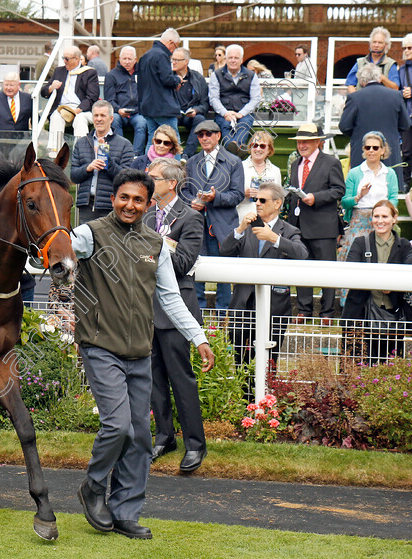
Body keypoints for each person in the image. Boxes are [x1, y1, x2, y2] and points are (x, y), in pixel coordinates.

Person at [72, 168, 214, 540]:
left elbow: (170, 297)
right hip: (100, 346)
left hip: (140, 351)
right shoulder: (88, 234)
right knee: (117, 426)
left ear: (149, 203)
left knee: (139, 435)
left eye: (138, 199)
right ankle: (93, 486)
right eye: (124, 197)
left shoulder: (155, 244)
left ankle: (125, 512)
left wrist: (198, 337)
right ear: (113, 198)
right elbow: (51, 258)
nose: (130, 205)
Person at [143, 158, 208, 472]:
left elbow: (183, 264)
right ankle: (164, 436)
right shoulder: (143, 214)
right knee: (154, 379)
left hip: (176, 309)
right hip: (146, 310)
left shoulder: (190, 217)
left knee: (182, 380)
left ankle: (195, 444)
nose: (147, 180)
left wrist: (156, 245)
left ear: (170, 183)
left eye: (152, 177)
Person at [221, 181, 308, 367]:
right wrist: (240, 229)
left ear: (277, 203)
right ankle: (244, 397)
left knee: (268, 363)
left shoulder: (289, 231)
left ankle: (265, 397)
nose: (257, 203)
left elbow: (302, 254)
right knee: (240, 364)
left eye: (262, 200)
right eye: (255, 200)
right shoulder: (248, 227)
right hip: (242, 304)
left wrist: (274, 239)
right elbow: (225, 251)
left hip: (274, 307)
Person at [285, 124, 345, 322]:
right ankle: (304, 309)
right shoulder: (295, 164)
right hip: (299, 224)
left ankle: (327, 312)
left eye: (306, 141)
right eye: (299, 142)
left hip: (323, 226)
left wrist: (315, 197)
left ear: (318, 142)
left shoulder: (330, 162)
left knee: (326, 270)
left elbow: (339, 190)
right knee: (302, 267)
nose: (302, 145)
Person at [341, 200, 412, 363]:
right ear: (371, 219)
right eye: (376, 216)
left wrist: (393, 286)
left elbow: (408, 268)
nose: (380, 221)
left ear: (394, 218)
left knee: (389, 369)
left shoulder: (405, 245)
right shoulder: (360, 242)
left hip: (392, 320)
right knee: (354, 366)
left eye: (385, 216)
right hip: (359, 317)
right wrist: (381, 283)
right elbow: (351, 273)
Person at [183, 120, 243, 310]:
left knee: (223, 275)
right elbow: (183, 190)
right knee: (195, 271)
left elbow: (238, 194)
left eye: (209, 134)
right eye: (200, 135)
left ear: (218, 136)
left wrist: (216, 197)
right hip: (196, 224)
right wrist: (191, 201)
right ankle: (196, 316)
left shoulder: (234, 161)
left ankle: (223, 317)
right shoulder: (192, 162)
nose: (204, 138)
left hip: (222, 225)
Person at [339, 63, 410, 187]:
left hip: (363, 152)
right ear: (379, 77)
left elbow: (344, 126)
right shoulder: (396, 96)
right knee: (389, 195)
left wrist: (357, 134)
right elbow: (405, 125)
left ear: (361, 80)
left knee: (362, 191)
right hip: (389, 152)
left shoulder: (354, 97)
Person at [70, 100, 135, 224]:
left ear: (111, 119)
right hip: (86, 206)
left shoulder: (124, 144)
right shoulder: (81, 143)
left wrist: (107, 161)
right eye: (96, 115)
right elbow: (73, 176)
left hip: (111, 207)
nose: (99, 119)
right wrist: (87, 168)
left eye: (103, 115)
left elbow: (127, 178)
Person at [339, 131, 399, 262]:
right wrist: (359, 196)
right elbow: (345, 202)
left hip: (381, 219)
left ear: (383, 150)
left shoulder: (389, 173)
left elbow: (394, 197)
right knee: (354, 256)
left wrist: (387, 212)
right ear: (363, 150)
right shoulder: (354, 173)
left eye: (375, 147)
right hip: (359, 220)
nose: (371, 151)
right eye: (367, 147)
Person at [40, 45, 100, 155]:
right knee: (56, 116)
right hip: (62, 108)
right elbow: (43, 92)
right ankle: (56, 151)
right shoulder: (59, 71)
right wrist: (51, 87)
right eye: (63, 58)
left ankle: (81, 152)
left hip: (82, 109)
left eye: (67, 59)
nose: (64, 61)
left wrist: (78, 110)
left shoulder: (89, 73)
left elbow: (92, 97)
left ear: (77, 59)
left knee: (80, 120)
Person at [208, 44, 261, 150]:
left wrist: (241, 114)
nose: (233, 60)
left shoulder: (251, 75)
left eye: (236, 58)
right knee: (225, 125)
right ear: (226, 59)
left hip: (244, 114)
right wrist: (225, 113)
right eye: (230, 58)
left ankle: (232, 149)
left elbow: (255, 99)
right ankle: (237, 149)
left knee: (244, 124)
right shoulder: (216, 75)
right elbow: (213, 98)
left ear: (241, 60)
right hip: (223, 114)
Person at [137, 28, 182, 145]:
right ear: (171, 42)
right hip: (163, 107)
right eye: (175, 46)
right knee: (173, 139)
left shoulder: (144, 56)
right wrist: (178, 79)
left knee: (153, 139)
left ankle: (150, 163)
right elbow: (167, 79)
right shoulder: (162, 56)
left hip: (147, 105)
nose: (173, 51)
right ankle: (176, 163)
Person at [103, 46, 147, 157]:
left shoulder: (142, 74)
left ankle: (137, 155)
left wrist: (139, 109)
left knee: (142, 123)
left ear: (135, 60)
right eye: (124, 59)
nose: (127, 62)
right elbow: (109, 99)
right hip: (119, 112)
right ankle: (121, 153)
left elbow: (147, 95)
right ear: (119, 59)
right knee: (115, 119)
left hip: (138, 112)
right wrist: (119, 110)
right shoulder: (111, 75)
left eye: (130, 59)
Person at [171, 47, 209, 160]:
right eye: (173, 59)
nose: (174, 62)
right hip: (172, 114)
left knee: (200, 120)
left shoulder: (197, 78)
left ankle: (186, 155)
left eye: (177, 60)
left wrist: (196, 110)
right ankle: (174, 154)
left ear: (186, 61)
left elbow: (205, 103)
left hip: (189, 115)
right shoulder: (168, 78)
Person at [238, 130, 282, 221]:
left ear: (269, 149)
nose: (258, 149)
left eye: (262, 146)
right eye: (254, 145)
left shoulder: (275, 171)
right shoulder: (239, 167)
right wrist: (243, 193)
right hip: (244, 219)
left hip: (268, 222)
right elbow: (230, 197)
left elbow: (279, 199)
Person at [345, 26, 400, 93]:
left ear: (386, 45)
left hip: (382, 102)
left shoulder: (390, 64)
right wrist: (357, 98)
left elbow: (395, 88)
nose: (376, 45)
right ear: (370, 44)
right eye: (374, 42)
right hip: (362, 101)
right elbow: (350, 84)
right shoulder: (360, 63)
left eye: (380, 43)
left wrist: (383, 79)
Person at [398, 33, 412, 190]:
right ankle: (405, 181)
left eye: (410, 48)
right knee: (406, 151)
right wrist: (401, 93)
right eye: (405, 48)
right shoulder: (401, 70)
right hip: (407, 116)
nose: (407, 51)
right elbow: (396, 89)